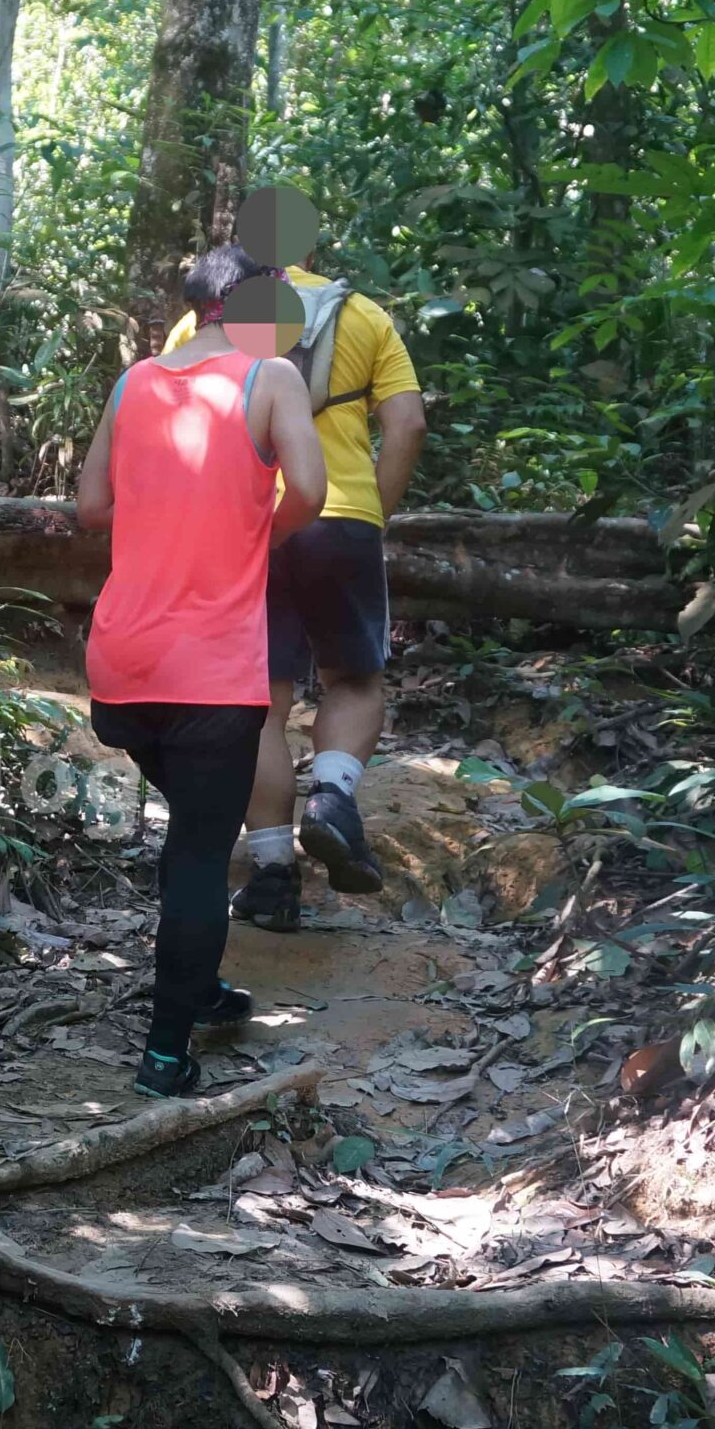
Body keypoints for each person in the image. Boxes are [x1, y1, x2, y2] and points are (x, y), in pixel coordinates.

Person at [75, 244, 329, 1100]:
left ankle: (202, 985)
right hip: (209, 670)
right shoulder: (271, 378)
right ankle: (163, 1055)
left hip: (122, 663)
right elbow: (313, 490)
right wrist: (260, 533)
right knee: (196, 854)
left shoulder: (133, 381)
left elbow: (90, 507)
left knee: (192, 823)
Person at [228, 253, 428, 933]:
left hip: (250, 520)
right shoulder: (363, 314)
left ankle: (273, 875)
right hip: (341, 515)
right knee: (354, 678)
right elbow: (408, 425)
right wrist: (374, 511)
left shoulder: (217, 314)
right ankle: (333, 797)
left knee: (261, 701)